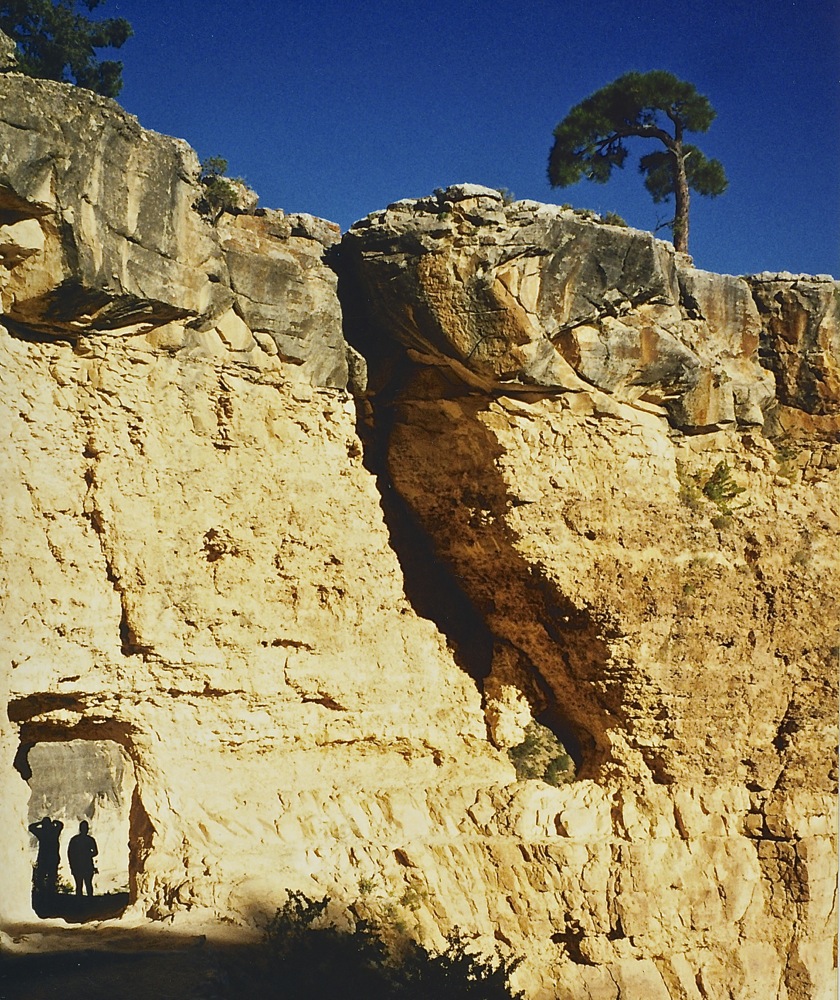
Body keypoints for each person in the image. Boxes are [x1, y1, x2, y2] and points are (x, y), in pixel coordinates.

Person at [28, 816, 63, 897]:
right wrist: (54, 822)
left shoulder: (42, 833)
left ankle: (42, 892)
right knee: (52, 876)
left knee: (41, 875)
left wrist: (40, 823)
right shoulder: (54, 832)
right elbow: (60, 825)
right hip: (53, 857)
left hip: (43, 858)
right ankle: (51, 892)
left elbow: (31, 827)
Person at [67, 820, 98, 897]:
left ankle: (80, 903)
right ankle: (89, 902)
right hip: (86, 865)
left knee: (80, 885)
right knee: (87, 884)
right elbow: (95, 852)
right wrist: (88, 854)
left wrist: (72, 865)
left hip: (80, 865)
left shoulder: (75, 840)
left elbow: (70, 853)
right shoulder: (89, 840)